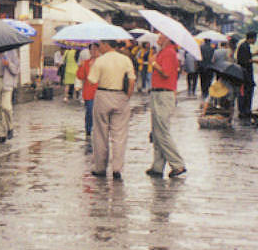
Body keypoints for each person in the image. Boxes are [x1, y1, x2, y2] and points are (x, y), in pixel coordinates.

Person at [87, 38, 136, 180]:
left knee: (100, 133)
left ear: (106, 45)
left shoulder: (100, 61)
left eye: (100, 45)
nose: (99, 47)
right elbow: (132, 80)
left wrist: (91, 66)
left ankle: (100, 167)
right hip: (120, 95)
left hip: (103, 94)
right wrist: (127, 96)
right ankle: (117, 168)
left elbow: (92, 80)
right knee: (119, 135)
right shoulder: (125, 60)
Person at [145, 34, 187, 178]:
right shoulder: (162, 52)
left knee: (162, 131)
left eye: (161, 36)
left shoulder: (169, 52)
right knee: (157, 132)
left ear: (168, 38)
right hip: (158, 92)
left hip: (164, 93)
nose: (158, 38)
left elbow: (166, 73)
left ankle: (177, 164)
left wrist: (154, 64)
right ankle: (157, 166)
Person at [75, 43, 100, 137]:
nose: (93, 51)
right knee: (90, 110)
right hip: (89, 91)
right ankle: (88, 129)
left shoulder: (102, 62)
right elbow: (80, 76)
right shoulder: (85, 63)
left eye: (96, 49)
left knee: (100, 113)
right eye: (91, 49)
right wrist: (81, 66)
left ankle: (99, 130)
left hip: (101, 91)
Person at [236, 32, 258, 120]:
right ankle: (244, 111)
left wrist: (254, 54)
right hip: (245, 74)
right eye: (255, 39)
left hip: (246, 74)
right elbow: (244, 60)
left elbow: (246, 56)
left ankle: (246, 110)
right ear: (251, 38)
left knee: (247, 92)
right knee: (245, 92)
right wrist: (254, 61)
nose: (255, 41)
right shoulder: (244, 46)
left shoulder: (245, 46)